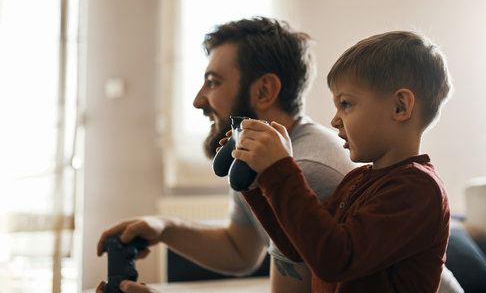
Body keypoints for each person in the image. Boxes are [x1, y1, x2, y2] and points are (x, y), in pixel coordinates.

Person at [95, 17, 357, 293]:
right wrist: (163, 228)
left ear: (264, 91)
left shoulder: (303, 172)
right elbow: (239, 250)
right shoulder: (254, 152)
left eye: (213, 82)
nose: (198, 100)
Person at [232, 31, 452, 292]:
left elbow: (335, 260)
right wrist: (257, 181)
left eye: (345, 104)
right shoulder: (356, 180)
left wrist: (280, 169)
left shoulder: (418, 189)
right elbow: (299, 248)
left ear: (400, 107)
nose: (335, 120)